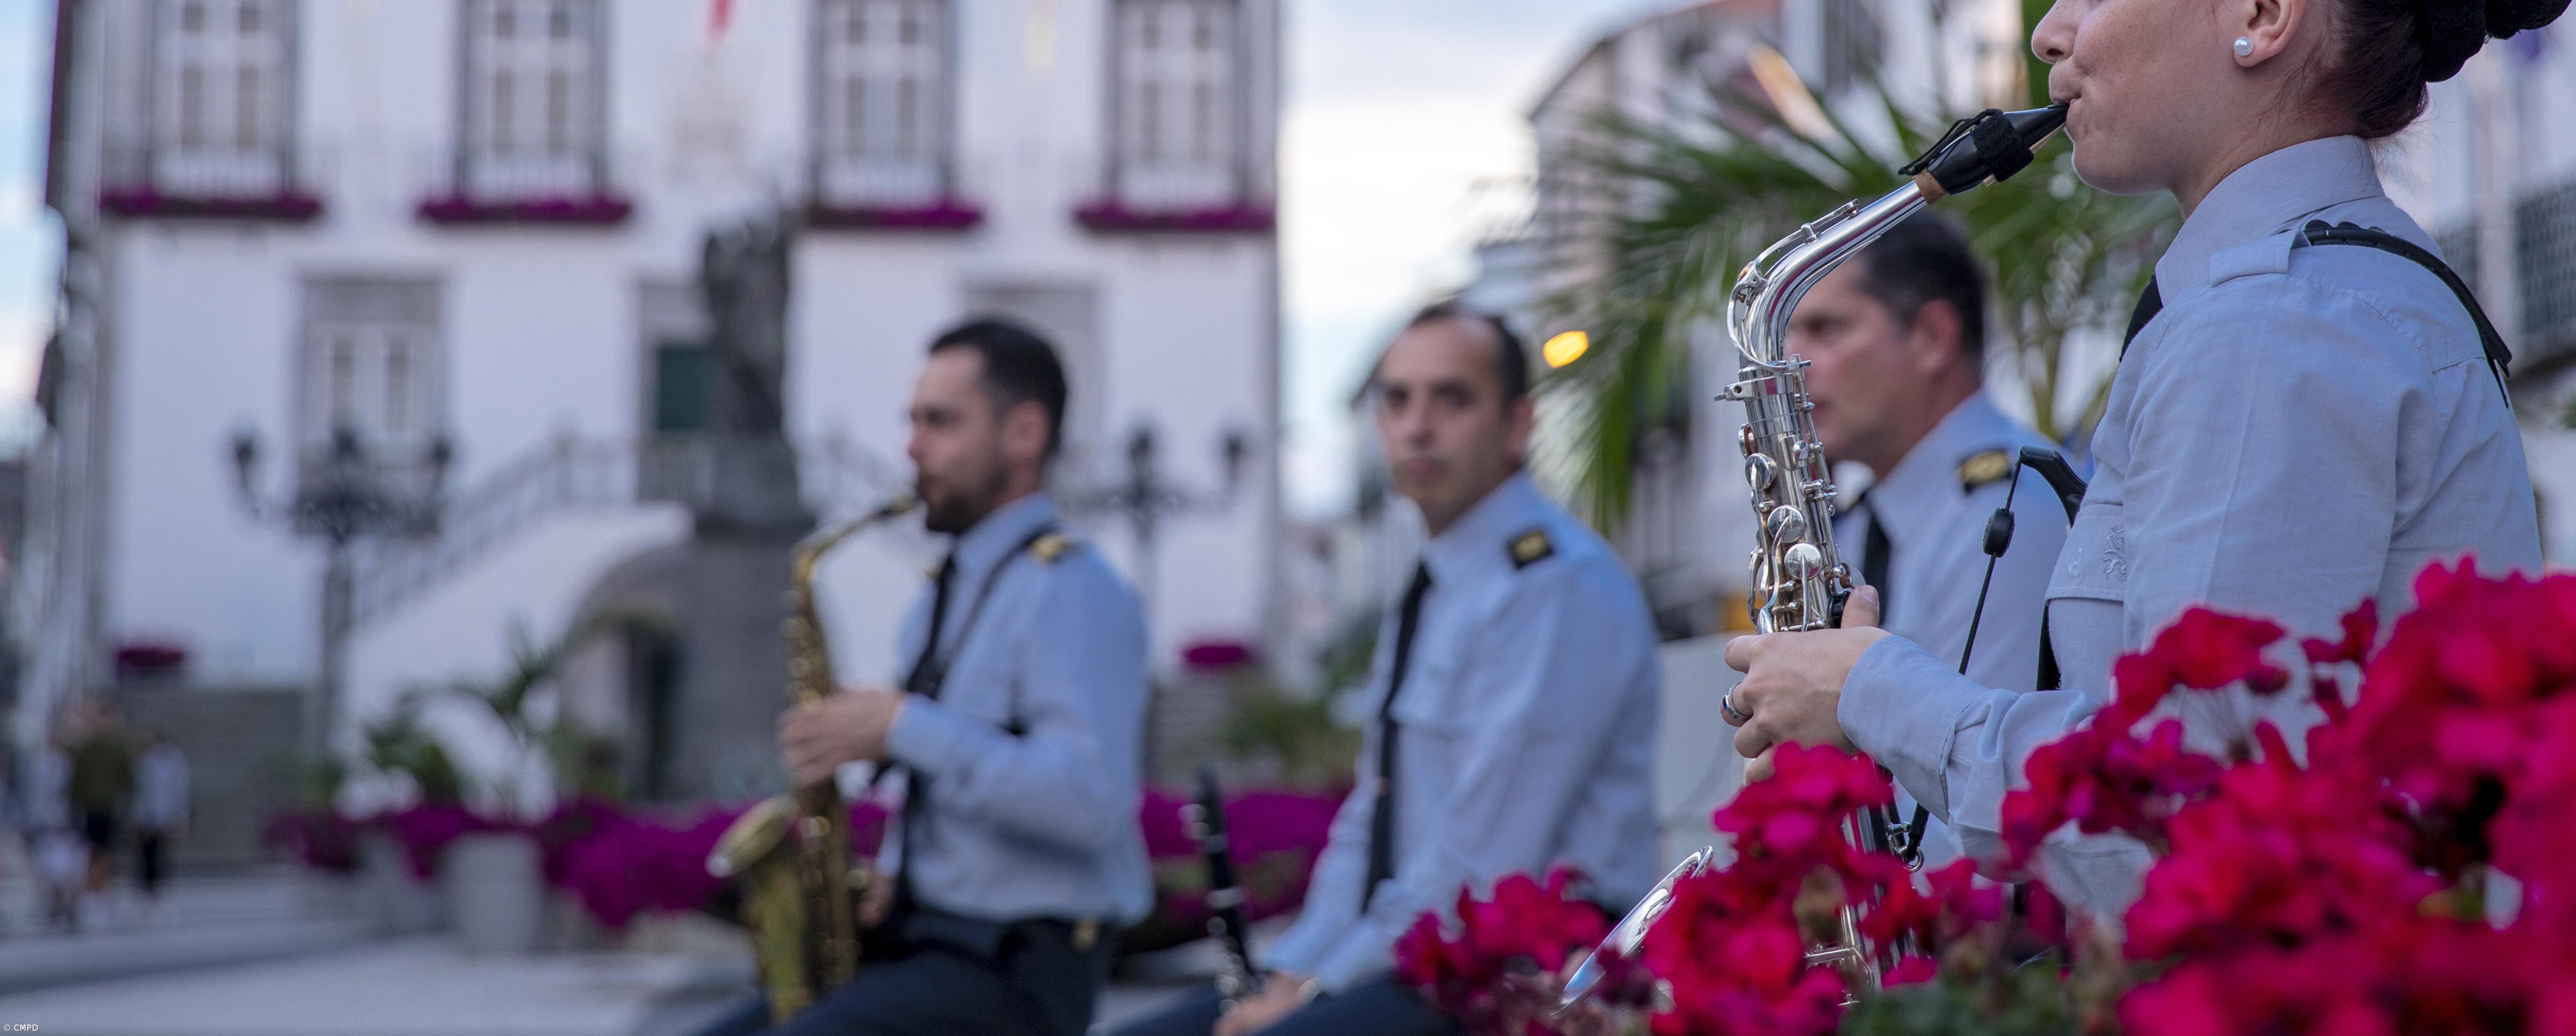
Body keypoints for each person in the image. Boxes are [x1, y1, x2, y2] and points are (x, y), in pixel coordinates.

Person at [1722, 0, 2576, 918]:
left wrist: (1875, 691)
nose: (2050, 32)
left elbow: (2181, 821)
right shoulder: (2316, 292)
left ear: (2266, 8)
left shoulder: (2267, 326)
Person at [1115, 303, 1662, 1036]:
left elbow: (1486, 859)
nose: (1418, 425)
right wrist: (1296, 970)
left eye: (1453, 398)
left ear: (1519, 424)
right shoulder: (1439, 578)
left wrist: (1314, 991)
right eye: (1396, 400)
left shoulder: (1556, 585)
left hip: (1523, 969)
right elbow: (1372, 819)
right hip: (1417, 956)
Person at [705, 316, 1151, 1036]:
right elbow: (951, 766)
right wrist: (895, 866)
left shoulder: (1072, 588)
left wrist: (900, 727)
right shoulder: (948, 587)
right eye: (912, 422)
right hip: (932, 941)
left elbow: (1091, 800)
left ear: (1025, 433)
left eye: (940, 422)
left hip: (1018, 969)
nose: (911, 448)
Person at [1786, 212, 2067, 693]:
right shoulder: (1857, 522)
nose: (1791, 365)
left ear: (1932, 338)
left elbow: (1982, 755)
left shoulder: (2017, 506)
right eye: (1789, 336)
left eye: (1825, 329)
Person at [61, 698, 133, 904]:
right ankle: (92, 891)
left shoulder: (119, 748)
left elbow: (127, 779)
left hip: (110, 806)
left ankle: (101, 890)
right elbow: (77, 778)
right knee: (92, 851)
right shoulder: (86, 747)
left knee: (105, 851)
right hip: (90, 806)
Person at [132, 728, 190, 905]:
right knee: (145, 850)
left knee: (161, 850)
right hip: (145, 813)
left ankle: (159, 884)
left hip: (166, 812)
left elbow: (180, 789)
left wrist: (179, 814)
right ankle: (145, 885)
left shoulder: (175, 759)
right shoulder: (143, 760)